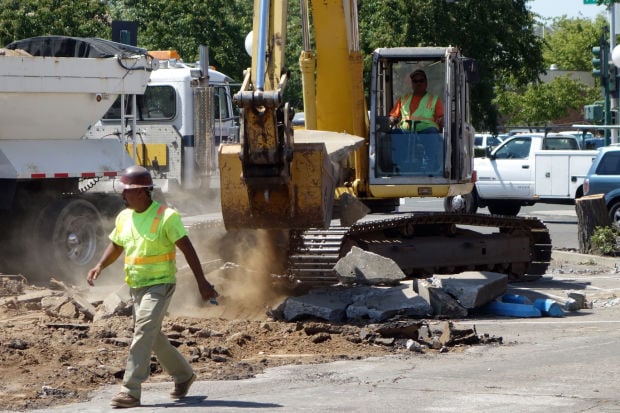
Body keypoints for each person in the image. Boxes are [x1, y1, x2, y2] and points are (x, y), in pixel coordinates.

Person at [86, 165, 219, 409]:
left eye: (127, 191)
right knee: (152, 336)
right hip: (136, 286)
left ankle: (130, 391)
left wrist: (202, 282)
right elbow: (116, 245)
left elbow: (188, 249)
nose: (123, 195)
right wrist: (99, 266)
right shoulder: (124, 217)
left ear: (142, 192)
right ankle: (184, 375)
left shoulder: (167, 217)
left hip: (161, 284)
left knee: (143, 330)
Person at [389, 69, 444, 133]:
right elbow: (393, 116)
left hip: (426, 133)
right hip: (406, 132)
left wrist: (442, 120)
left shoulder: (434, 99)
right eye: (415, 81)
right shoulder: (403, 98)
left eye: (421, 81)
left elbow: (442, 118)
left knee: (432, 131)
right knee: (396, 132)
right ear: (412, 84)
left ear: (426, 83)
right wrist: (392, 119)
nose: (418, 83)